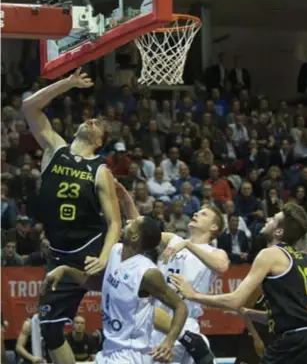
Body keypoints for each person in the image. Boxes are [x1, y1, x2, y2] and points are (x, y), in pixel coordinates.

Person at [22, 68, 122, 364]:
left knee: (127, 299)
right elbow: (29, 107)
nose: (89, 121)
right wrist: (67, 83)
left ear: (100, 141)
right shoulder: (55, 148)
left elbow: (115, 222)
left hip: (89, 250)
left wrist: (104, 256)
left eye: (97, 124)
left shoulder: (100, 170)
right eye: (89, 118)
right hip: (58, 254)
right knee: (50, 329)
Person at [171, 202, 307, 364]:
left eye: (274, 218)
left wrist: (193, 295)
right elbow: (292, 315)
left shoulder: (270, 254)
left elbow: (234, 301)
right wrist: (249, 313)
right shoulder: (297, 258)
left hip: (300, 341)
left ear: (279, 231)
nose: (268, 218)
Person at [41, 216, 188, 364]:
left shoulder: (147, 272)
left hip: (131, 354)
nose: (128, 221)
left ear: (135, 236)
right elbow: (99, 284)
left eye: (133, 223)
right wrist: (66, 270)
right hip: (109, 349)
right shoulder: (115, 251)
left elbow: (180, 306)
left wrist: (169, 341)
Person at [116, 182, 229, 364]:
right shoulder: (173, 240)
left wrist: (188, 244)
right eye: (197, 212)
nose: (195, 214)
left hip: (185, 321)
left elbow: (222, 266)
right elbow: (142, 227)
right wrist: (124, 197)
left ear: (214, 227)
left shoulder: (214, 252)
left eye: (203, 214)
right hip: (156, 320)